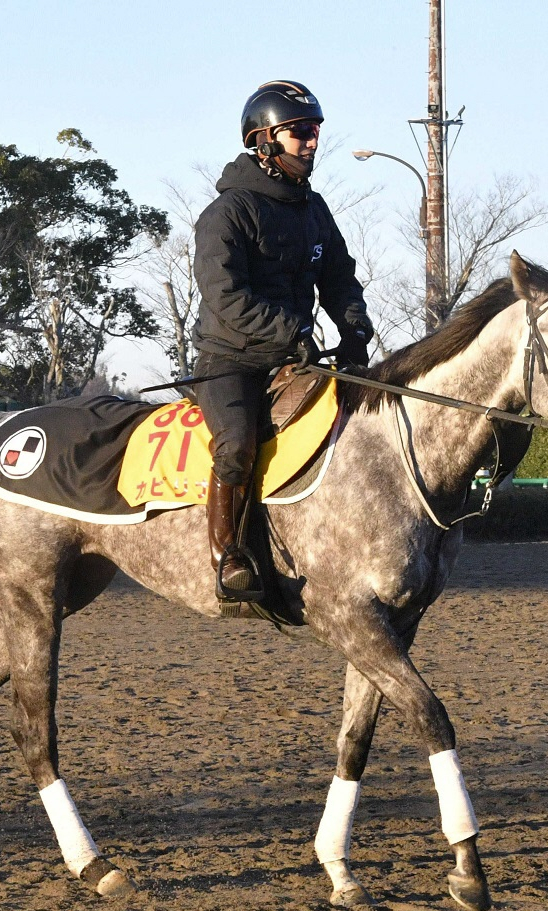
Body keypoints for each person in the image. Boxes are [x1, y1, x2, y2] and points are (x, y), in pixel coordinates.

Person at [191, 80, 373, 603]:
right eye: (300, 132)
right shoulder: (225, 214)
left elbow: (339, 277)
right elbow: (225, 296)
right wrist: (292, 332)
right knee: (237, 447)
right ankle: (226, 556)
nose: (313, 141)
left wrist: (355, 326)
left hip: (298, 358)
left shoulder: (313, 209)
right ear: (264, 141)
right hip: (231, 361)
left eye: (315, 130)